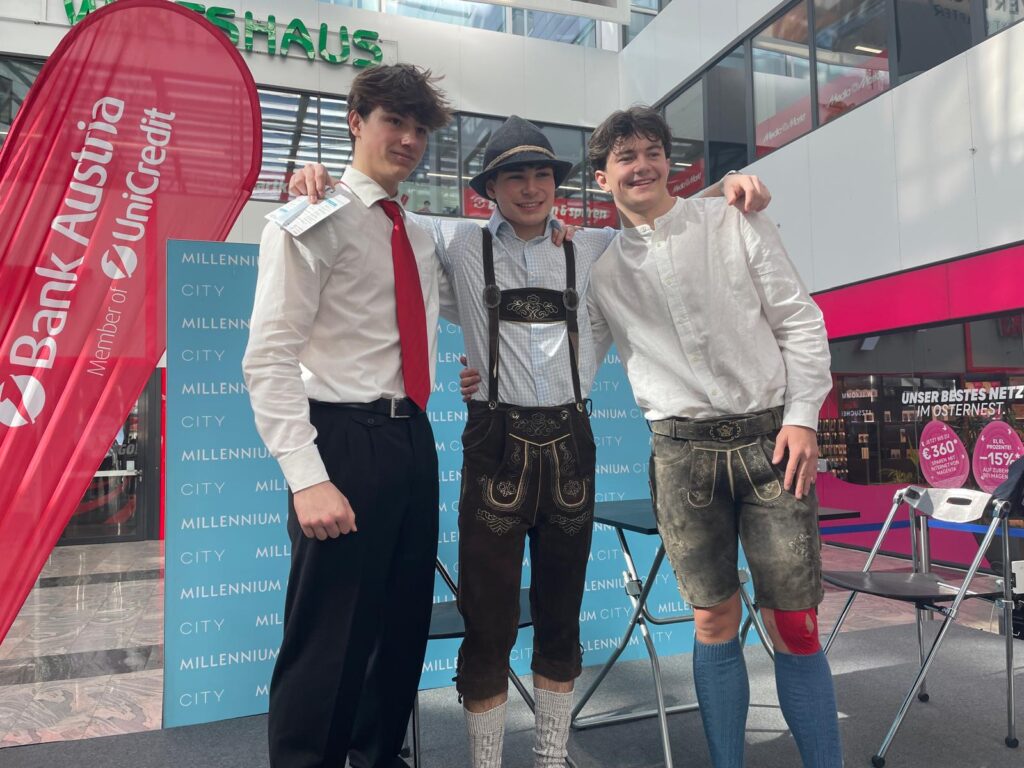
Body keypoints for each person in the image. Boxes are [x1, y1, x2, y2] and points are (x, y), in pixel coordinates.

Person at [290, 119, 770, 768]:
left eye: (542, 173)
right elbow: (377, 213)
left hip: (571, 445)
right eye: (514, 176)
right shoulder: (457, 242)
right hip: (495, 448)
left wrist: (727, 185)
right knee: (486, 623)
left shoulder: (593, 246)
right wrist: (319, 182)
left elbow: (664, 214)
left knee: (561, 618)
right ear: (489, 188)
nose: (531, 187)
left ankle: (549, 759)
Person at [462, 106, 840, 768]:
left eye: (651, 153)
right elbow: (572, 359)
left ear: (670, 162)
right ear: (602, 178)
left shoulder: (733, 219)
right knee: (711, 619)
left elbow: (799, 321)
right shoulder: (601, 265)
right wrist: (491, 379)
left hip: (771, 443)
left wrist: (804, 414)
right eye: (624, 158)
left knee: (795, 623)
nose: (641, 166)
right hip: (680, 453)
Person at [242, 63, 454, 768]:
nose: (409, 139)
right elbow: (269, 357)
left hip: (411, 437)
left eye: (420, 129)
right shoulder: (309, 219)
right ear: (356, 122)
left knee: (400, 632)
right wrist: (307, 478)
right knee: (328, 639)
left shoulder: (419, 232)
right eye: (394, 121)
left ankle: (378, 757)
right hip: (340, 438)